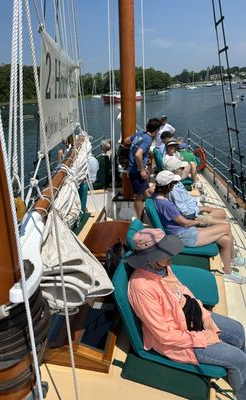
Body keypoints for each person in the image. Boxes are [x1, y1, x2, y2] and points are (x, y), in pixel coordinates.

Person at [127, 228, 246, 400]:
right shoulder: (142, 288)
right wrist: (204, 337)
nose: (172, 256)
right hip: (179, 342)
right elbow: (164, 335)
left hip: (190, 319)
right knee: (239, 359)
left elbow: (183, 291)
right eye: (166, 253)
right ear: (151, 258)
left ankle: (239, 375)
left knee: (237, 330)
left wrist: (205, 317)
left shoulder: (163, 268)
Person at [151, 171, 246, 283]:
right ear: (167, 186)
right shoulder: (166, 204)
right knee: (226, 226)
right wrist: (200, 220)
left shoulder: (155, 196)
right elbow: (185, 223)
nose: (174, 186)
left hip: (182, 231)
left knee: (226, 239)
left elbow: (149, 190)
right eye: (173, 183)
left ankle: (229, 267)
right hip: (183, 235)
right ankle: (230, 264)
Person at [124, 118, 161, 218]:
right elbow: (138, 154)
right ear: (156, 130)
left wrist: (136, 145)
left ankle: (155, 211)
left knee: (147, 192)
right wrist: (141, 170)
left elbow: (126, 141)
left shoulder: (139, 133)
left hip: (132, 168)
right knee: (139, 197)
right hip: (136, 171)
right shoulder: (148, 139)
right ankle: (139, 219)